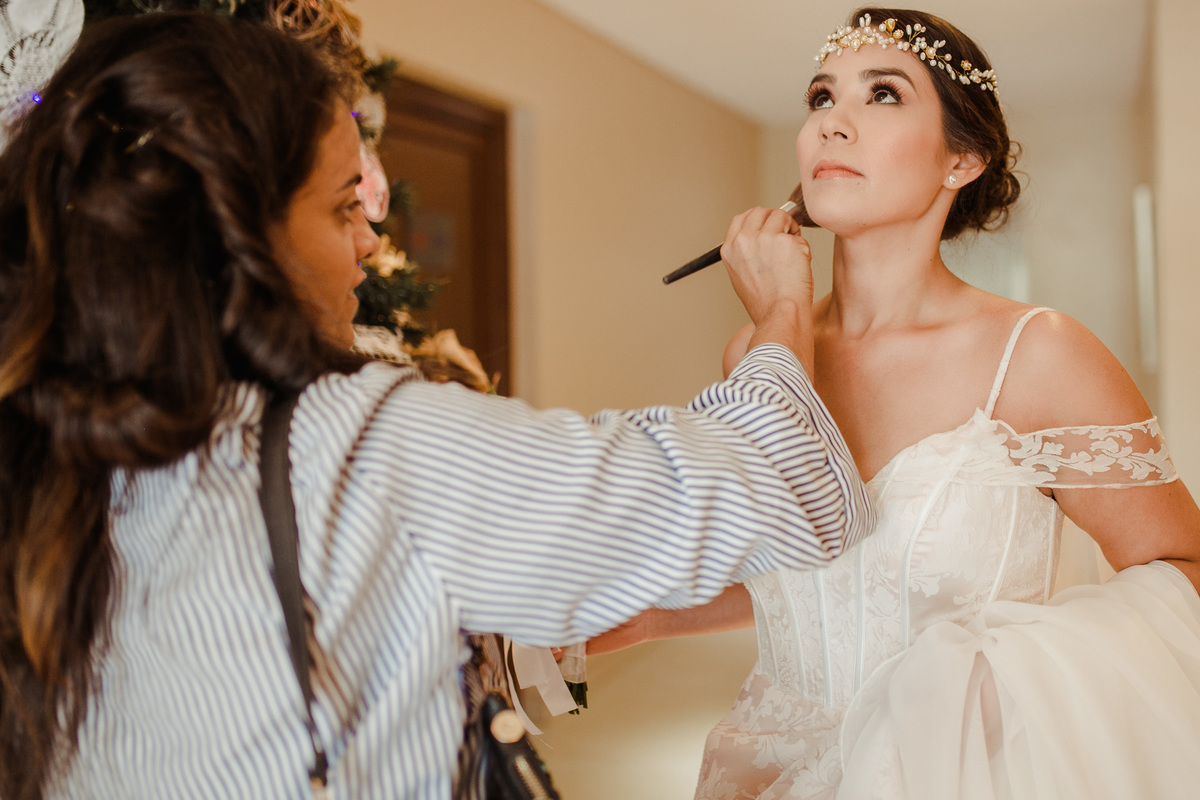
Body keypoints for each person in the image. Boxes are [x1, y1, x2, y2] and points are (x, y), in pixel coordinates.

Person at [0, 12, 873, 800]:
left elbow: (398, 622)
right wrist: (783, 315)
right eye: (344, 204)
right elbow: (786, 486)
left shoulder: (50, 429)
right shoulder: (369, 443)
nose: (371, 240)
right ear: (241, 230)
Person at [590, 7, 1200, 799]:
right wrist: (654, 617)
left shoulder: (1038, 353)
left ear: (963, 159)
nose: (833, 125)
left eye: (882, 95)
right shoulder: (760, 358)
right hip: (771, 766)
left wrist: (1005, 678)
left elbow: (1183, 568)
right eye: (820, 98)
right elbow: (816, 583)